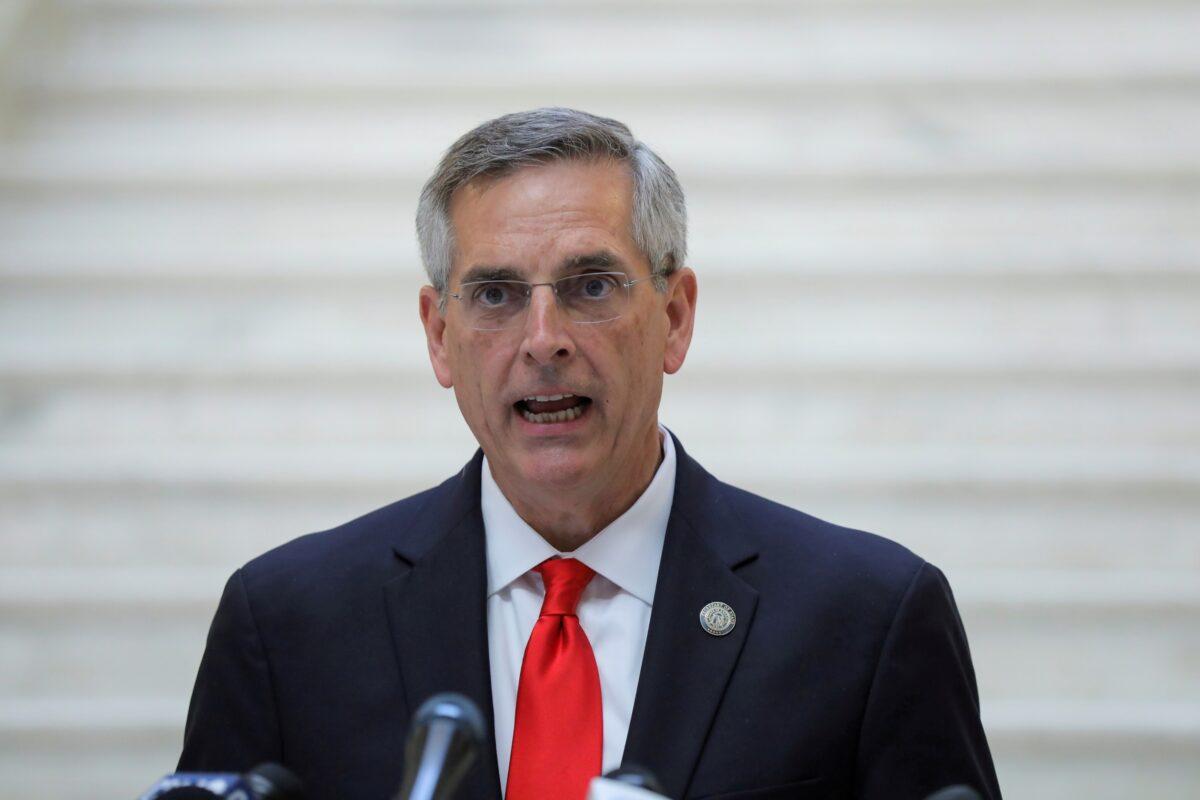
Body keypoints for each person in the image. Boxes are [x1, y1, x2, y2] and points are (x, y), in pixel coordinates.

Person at [178, 108, 1001, 800]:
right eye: (495, 295)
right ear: (438, 337)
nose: (544, 341)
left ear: (675, 317)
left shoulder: (866, 620)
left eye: (591, 287)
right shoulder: (288, 626)